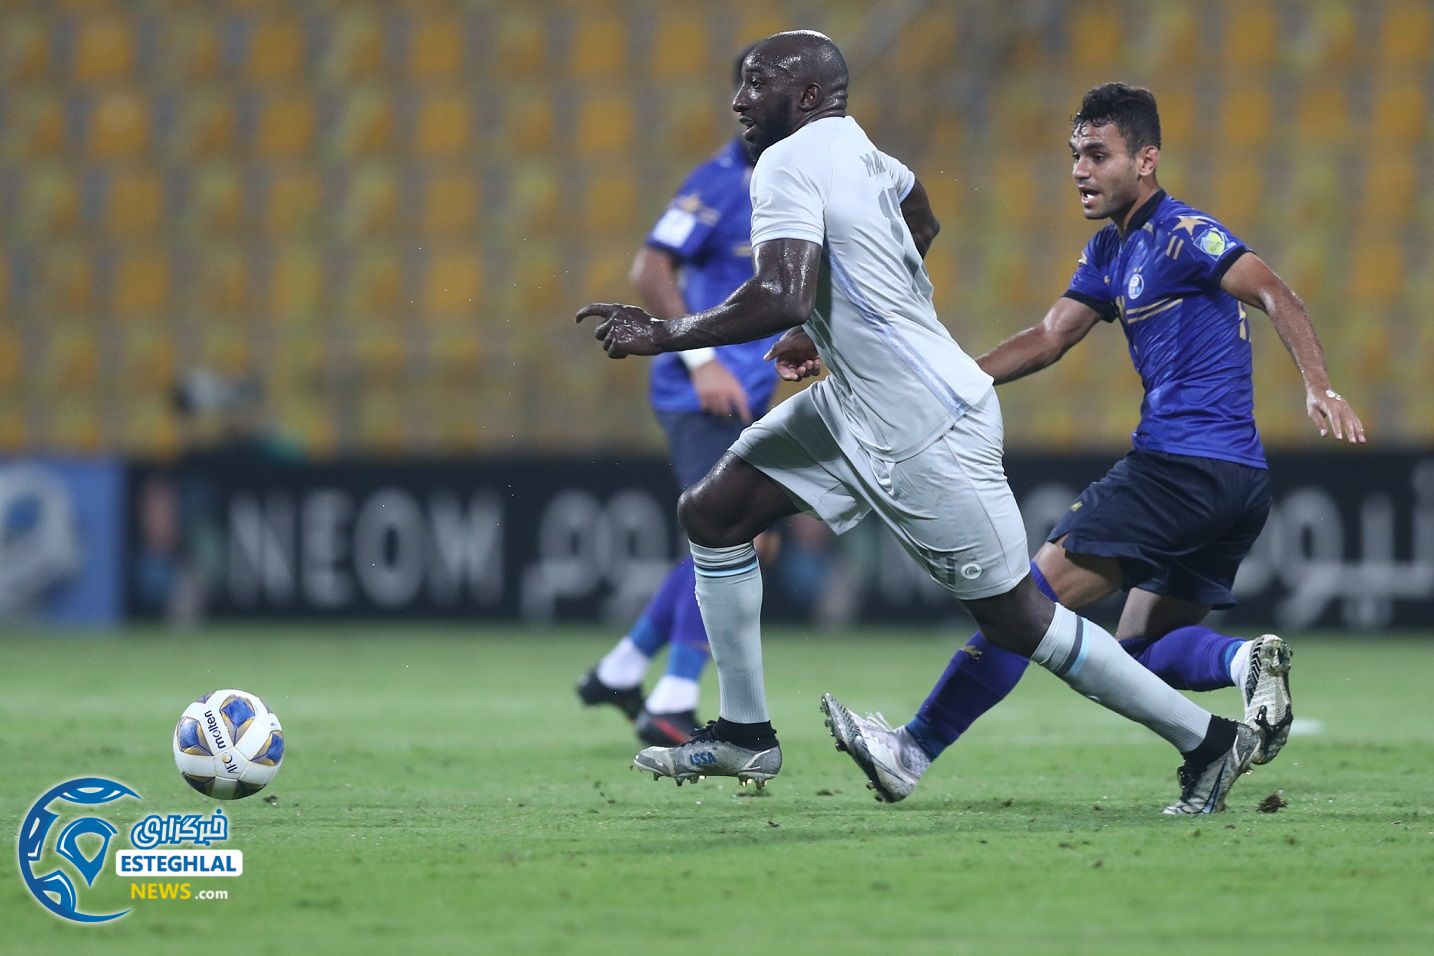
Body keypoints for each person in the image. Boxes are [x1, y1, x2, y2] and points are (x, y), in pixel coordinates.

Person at [578, 34, 1273, 814]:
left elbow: (778, 295)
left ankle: (1209, 742)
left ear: (807, 97)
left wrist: (664, 335)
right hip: (855, 405)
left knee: (1021, 618)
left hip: (922, 423)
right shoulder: (864, 152)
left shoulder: (783, 163)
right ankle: (746, 729)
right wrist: (830, 318)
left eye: (756, 83)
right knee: (713, 512)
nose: (739, 100)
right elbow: (921, 217)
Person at [818, 82, 1367, 804]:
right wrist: (946, 382)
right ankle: (1241, 671)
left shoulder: (1183, 233)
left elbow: (1274, 292)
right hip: (1234, 483)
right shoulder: (1111, 251)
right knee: (1135, 651)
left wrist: (1318, 384)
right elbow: (1049, 338)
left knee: (1021, 605)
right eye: (1075, 153)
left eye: (1098, 154)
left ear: (1146, 161)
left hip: (1178, 467)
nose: (1080, 169)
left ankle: (911, 750)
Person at [576, 46, 783, 747]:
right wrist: (701, 363)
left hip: (744, 393)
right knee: (733, 536)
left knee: (738, 536)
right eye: (757, 90)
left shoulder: (788, 184)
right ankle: (668, 696)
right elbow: (649, 266)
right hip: (702, 394)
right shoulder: (720, 183)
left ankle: (626, 665)